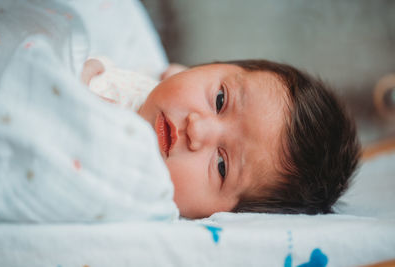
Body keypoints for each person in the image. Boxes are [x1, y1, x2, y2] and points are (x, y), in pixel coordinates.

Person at [81, 57, 361, 219]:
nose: (197, 130)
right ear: (210, 65)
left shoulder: (138, 199)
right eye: (219, 100)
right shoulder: (160, 83)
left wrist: (72, 101)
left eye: (222, 166)